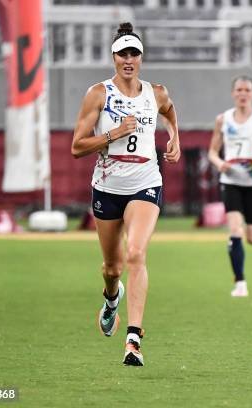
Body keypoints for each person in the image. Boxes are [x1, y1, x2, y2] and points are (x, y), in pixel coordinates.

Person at [71, 22, 180, 366]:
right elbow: (77, 146)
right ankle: (111, 298)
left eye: (134, 53)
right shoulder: (98, 94)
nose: (128, 59)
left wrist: (173, 135)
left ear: (141, 58)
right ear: (114, 57)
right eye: (122, 54)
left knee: (136, 253)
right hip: (108, 186)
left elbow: (169, 109)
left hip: (146, 181)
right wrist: (113, 134)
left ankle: (133, 338)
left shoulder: (156, 92)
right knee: (112, 267)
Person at [208, 76, 252, 297]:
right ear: (233, 93)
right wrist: (221, 164)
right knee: (235, 230)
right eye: (239, 89)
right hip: (231, 182)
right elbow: (212, 151)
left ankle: (247, 244)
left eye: (247, 90)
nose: (243, 93)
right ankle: (240, 282)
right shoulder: (223, 119)